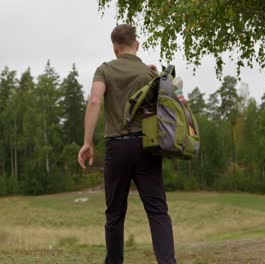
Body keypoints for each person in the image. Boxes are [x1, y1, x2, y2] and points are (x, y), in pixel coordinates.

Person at [77, 24, 177, 264]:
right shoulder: (149, 73)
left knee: (114, 215)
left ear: (115, 49)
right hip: (147, 147)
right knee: (157, 211)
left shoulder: (104, 70)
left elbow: (94, 101)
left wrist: (87, 142)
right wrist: (153, 74)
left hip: (117, 148)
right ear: (137, 44)